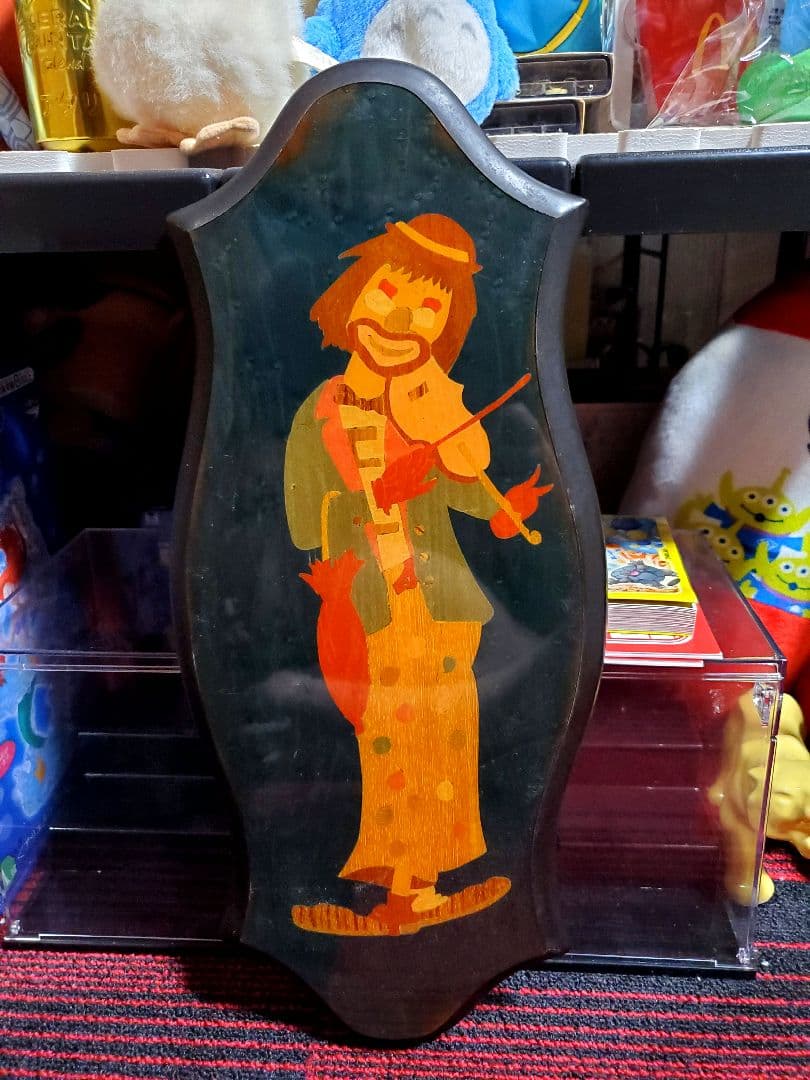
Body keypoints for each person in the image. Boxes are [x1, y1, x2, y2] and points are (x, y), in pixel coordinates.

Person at [284, 213, 549, 936]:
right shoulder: (322, 410)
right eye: (387, 292)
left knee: (446, 739)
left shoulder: (427, 404)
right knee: (390, 743)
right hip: (373, 603)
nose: (402, 318)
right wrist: (374, 492)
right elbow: (305, 524)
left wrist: (506, 512)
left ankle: (423, 886)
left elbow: (469, 490)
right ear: (353, 296)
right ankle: (394, 890)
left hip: (442, 603)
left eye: (429, 306)